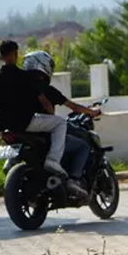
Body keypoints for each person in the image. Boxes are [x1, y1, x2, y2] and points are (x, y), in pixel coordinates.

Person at [23, 51, 100, 198]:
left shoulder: (19, 87)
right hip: (44, 133)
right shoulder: (44, 88)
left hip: (25, 130)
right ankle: (74, 179)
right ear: (44, 66)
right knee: (82, 146)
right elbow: (73, 107)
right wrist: (92, 112)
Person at [0, 41, 70, 179]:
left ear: (0, 57)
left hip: (4, 125)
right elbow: (43, 100)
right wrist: (50, 112)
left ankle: (12, 161)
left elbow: (0, 102)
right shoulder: (24, 76)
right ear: (15, 54)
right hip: (25, 121)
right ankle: (53, 160)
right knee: (60, 123)